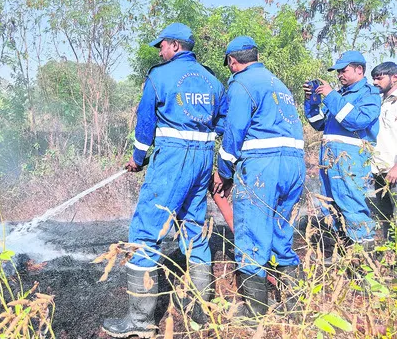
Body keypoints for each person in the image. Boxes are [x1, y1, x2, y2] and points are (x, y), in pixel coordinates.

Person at [102, 22, 227, 338]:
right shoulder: (213, 81)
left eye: (162, 45)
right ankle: (202, 314)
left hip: (172, 159)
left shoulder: (159, 76)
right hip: (202, 157)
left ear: (175, 45)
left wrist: (138, 158)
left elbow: (146, 121)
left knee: (145, 233)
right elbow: (223, 123)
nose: (160, 50)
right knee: (195, 230)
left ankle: (141, 323)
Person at [212, 36, 305, 323]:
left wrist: (223, 172)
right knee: (280, 232)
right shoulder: (277, 83)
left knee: (252, 233)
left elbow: (234, 134)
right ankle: (295, 308)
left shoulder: (241, 83)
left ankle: (254, 314)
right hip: (294, 166)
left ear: (232, 61)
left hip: (263, 166)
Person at [303, 51, 381, 257]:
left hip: (351, 160)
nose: (339, 75)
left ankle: (365, 266)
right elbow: (318, 123)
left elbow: (358, 120)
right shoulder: (340, 95)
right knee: (331, 207)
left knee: (352, 205)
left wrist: (330, 95)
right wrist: (312, 101)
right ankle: (344, 258)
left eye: (343, 70)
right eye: (338, 71)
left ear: (359, 70)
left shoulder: (369, 94)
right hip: (329, 159)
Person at [370, 62, 397, 241]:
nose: (375, 82)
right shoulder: (382, 103)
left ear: (394, 78)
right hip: (381, 171)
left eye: (379, 78)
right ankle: (390, 259)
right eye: (374, 78)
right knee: (386, 217)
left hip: (394, 170)